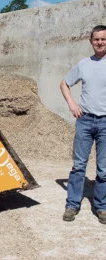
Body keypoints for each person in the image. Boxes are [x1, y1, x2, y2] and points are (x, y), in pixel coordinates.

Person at [60, 25, 106, 224]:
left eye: (103, 39)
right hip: (85, 121)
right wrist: (72, 103)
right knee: (79, 166)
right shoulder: (84, 64)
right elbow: (64, 83)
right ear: (91, 41)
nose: (100, 42)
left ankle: (101, 207)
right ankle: (72, 204)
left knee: (104, 169)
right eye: (96, 39)